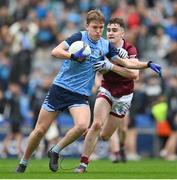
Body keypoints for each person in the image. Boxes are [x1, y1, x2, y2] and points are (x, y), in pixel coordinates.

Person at [16, 9, 161, 173]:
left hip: (80, 94)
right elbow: (55, 51)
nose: (99, 31)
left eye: (101, 28)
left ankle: (55, 150)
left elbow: (126, 63)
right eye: (95, 27)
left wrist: (147, 64)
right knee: (40, 130)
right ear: (87, 26)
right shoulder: (79, 37)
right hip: (60, 89)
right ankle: (23, 162)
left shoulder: (105, 45)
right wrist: (72, 56)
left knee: (83, 126)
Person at [74, 17, 160, 173]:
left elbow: (134, 75)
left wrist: (112, 66)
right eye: (109, 30)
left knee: (106, 136)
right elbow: (99, 69)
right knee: (97, 124)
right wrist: (102, 72)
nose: (110, 33)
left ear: (122, 33)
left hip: (125, 96)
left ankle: (119, 146)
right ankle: (83, 164)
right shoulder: (102, 46)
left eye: (114, 30)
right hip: (107, 89)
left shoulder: (130, 49)